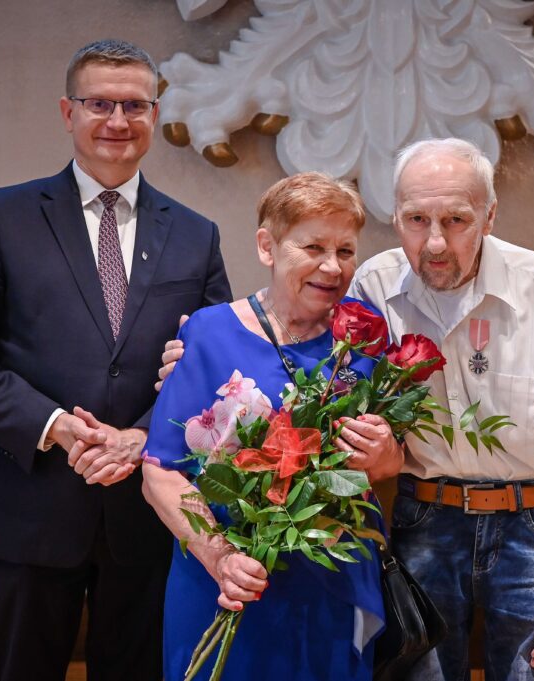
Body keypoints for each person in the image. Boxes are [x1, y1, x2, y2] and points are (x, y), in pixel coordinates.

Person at [158, 138, 534, 681]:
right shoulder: (369, 289)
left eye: (456, 219)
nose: (435, 241)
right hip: (422, 522)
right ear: (395, 217)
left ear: (489, 216)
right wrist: (190, 362)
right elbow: (268, 340)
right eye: (416, 219)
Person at [0, 39, 231, 681]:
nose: (117, 121)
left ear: (153, 114)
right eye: (99, 104)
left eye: (134, 106)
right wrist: (58, 426)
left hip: (148, 520)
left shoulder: (196, 234)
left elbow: (217, 373)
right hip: (25, 516)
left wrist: (142, 435)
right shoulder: (2, 216)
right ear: (68, 112)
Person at [141, 172, 403, 681]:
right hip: (224, 575)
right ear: (268, 246)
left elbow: (388, 465)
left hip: (331, 576)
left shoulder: (366, 339)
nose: (333, 266)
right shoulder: (210, 332)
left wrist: (384, 451)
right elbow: (161, 472)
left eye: (346, 251)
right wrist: (221, 558)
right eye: (313, 247)